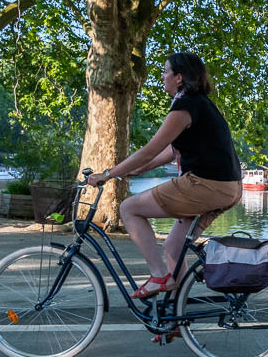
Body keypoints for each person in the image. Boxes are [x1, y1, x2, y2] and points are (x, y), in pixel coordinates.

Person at [85, 52, 242, 299]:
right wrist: (137, 169)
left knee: (128, 208)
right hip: (227, 188)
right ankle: (175, 318)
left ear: (179, 77)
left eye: (166, 71)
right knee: (172, 248)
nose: (162, 76)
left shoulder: (185, 105)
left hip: (205, 185)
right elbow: (171, 151)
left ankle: (158, 276)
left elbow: (150, 150)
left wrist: (108, 174)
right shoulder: (199, 103)